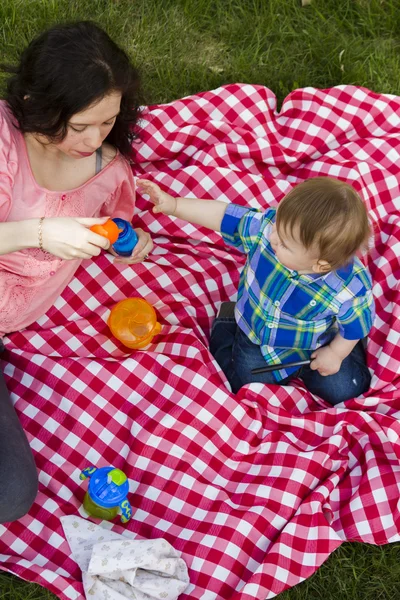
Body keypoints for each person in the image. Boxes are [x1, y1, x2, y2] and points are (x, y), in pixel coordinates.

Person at [0, 21, 152, 520]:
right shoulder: (5, 142)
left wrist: (128, 243)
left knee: (11, 494)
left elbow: (119, 227)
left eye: (106, 123)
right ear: (34, 102)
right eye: (78, 125)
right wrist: (39, 232)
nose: (92, 140)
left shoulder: (108, 173)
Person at [137, 177, 375, 405]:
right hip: (256, 337)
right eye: (277, 225)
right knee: (245, 385)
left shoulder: (349, 287)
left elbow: (355, 326)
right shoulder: (266, 230)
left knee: (347, 389)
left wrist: (335, 353)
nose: (272, 237)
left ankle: (345, 358)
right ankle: (226, 326)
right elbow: (224, 215)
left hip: (316, 345)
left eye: (284, 243)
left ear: (319, 265)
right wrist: (175, 205)